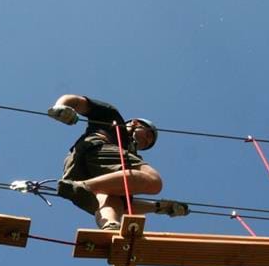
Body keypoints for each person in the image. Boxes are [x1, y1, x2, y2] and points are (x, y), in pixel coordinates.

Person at [43, 94, 188, 230]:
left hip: (78, 167)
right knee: (153, 180)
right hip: (97, 147)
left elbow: (127, 206)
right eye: (148, 134)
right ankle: (82, 187)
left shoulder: (121, 164)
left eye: (148, 143)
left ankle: (110, 226)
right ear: (135, 123)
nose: (147, 141)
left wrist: (160, 207)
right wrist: (61, 107)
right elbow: (76, 100)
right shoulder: (113, 117)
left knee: (114, 196)